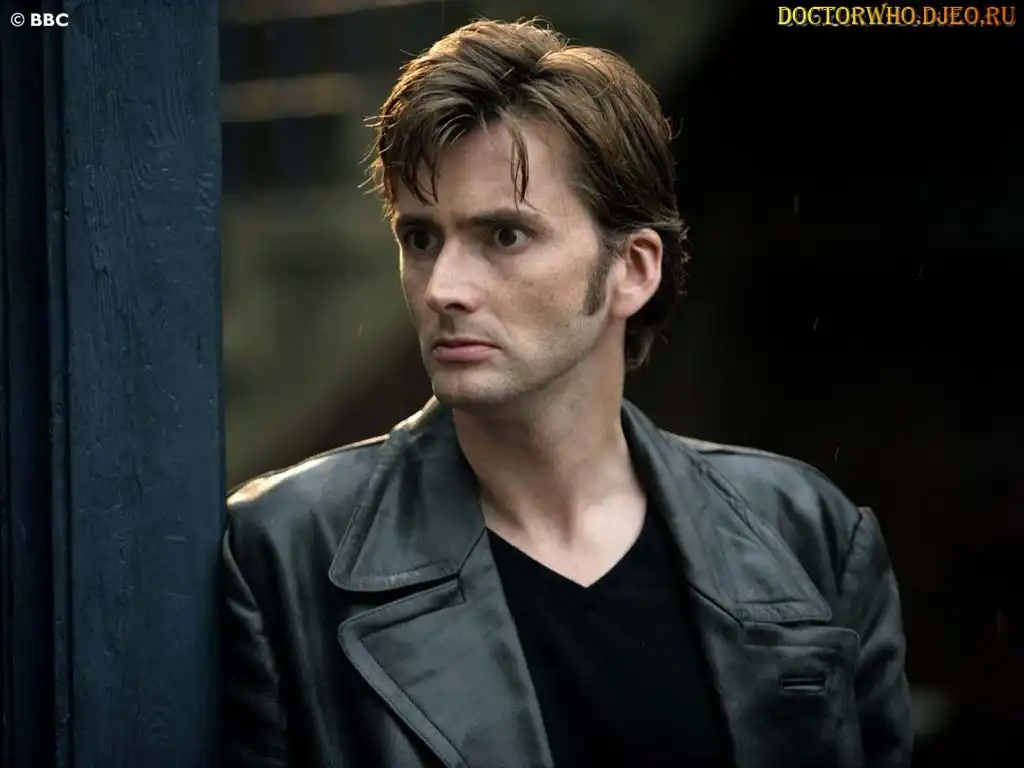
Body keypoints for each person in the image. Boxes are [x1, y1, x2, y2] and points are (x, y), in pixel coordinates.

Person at [221, 17, 912, 768]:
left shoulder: (807, 534)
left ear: (633, 269)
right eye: (421, 238)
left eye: (504, 236)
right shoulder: (282, 551)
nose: (443, 287)